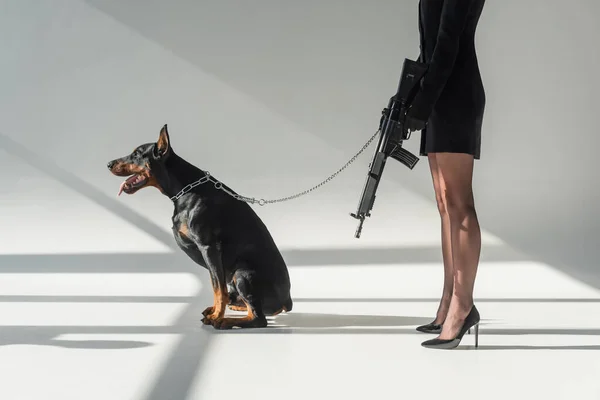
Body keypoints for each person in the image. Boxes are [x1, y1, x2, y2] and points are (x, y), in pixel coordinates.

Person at [405, 0, 486, 349]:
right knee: (444, 204)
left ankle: (462, 308)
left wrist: (423, 101)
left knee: (459, 204)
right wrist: (412, 96)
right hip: (437, 93)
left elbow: (449, 40)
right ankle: (448, 301)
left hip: (454, 93)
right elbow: (429, 44)